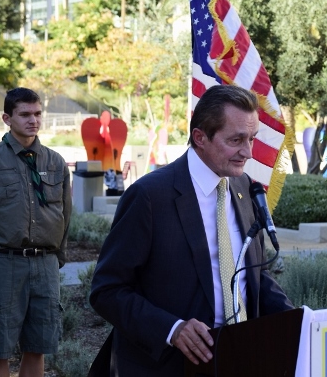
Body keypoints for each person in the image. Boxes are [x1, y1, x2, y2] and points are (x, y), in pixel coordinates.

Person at [89, 84, 294, 375]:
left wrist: (298, 320)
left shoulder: (244, 187)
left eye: (252, 138)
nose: (247, 152)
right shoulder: (149, 196)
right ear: (200, 137)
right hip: (168, 366)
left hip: (239, 358)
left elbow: (255, 275)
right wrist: (172, 329)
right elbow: (107, 291)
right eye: (236, 139)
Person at [0, 87, 72, 377]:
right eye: (24, 114)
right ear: (7, 118)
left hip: (45, 266)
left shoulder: (55, 162)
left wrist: (56, 258)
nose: (33, 120)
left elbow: (66, 215)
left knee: (38, 346)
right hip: (3, 265)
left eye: (37, 114)